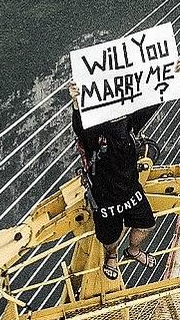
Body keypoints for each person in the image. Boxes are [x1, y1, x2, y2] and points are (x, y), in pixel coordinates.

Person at [69, 82, 161, 280]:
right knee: (109, 237)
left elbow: (150, 105)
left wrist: (169, 75)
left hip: (131, 190)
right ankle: (112, 256)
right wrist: (77, 104)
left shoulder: (127, 124)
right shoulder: (95, 134)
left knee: (147, 224)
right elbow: (80, 129)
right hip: (105, 197)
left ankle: (133, 250)